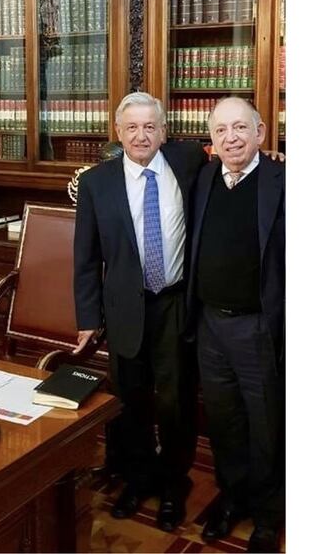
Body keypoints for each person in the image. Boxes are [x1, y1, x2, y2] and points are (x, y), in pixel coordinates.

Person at [73, 92, 206, 531]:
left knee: (175, 401)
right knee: (131, 401)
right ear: (118, 132)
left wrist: (271, 153)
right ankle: (138, 478)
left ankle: (173, 485)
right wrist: (88, 319)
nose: (141, 135)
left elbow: (235, 157)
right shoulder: (96, 183)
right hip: (124, 307)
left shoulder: (188, 162)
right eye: (132, 127)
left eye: (150, 127)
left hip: (174, 303)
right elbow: (86, 257)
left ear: (164, 132)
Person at [186, 97, 285, 552]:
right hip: (210, 325)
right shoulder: (204, 177)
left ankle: (267, 515)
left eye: (241, 128)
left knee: (265, 424)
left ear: (260, 133)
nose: (231, 138)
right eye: (221, 130)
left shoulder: (283, 179)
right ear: (211, 140)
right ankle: (232, 498)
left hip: (258, 327)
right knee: (223, 421)